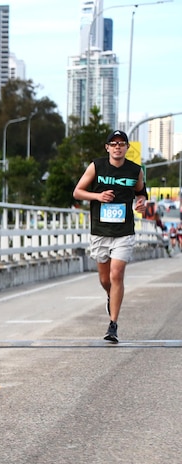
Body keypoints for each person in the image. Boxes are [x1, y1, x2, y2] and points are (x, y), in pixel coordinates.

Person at [72, 129, 146, 343]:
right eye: (113, 144)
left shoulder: (135, 170)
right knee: (105, 279)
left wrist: (141, 201)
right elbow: (78, 192)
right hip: (100, 230)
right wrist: (98, 196)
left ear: (127, 148)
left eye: (121, 143)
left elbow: (141, 192)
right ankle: (110, 296)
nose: (117, 147)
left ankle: (113, 325)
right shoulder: (96, 166)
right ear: (107, 148)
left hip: (124, 231)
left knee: (116, 275)